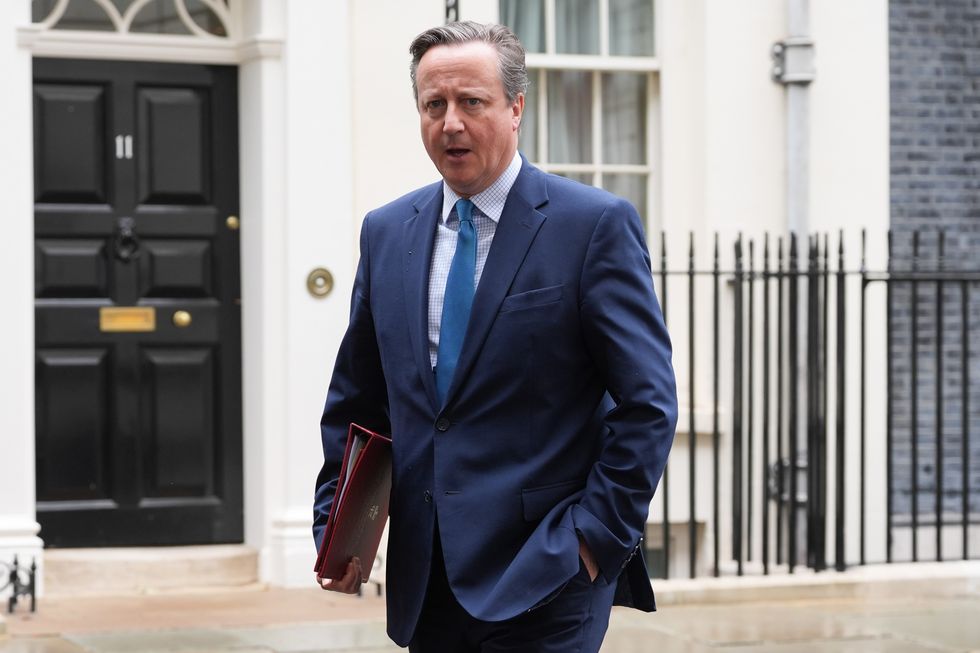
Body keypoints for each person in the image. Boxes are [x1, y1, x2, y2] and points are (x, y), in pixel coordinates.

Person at [313, 21, 677, 653]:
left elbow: (648, 404)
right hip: (426, 579)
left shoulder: (592, 226)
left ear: (516, 108)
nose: (450, 122)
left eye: (471, 102)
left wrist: (593, 540)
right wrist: (338, 529)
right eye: (434, 104)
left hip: (548, 574)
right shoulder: (386, 231)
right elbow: (359, 403)